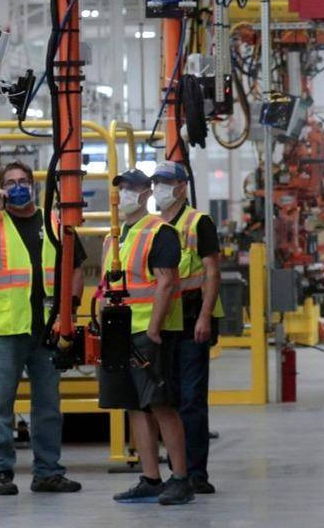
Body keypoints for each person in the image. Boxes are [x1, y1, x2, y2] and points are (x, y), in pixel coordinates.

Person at [0, 161, 89, 496]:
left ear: (33, 185)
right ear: (1, 189)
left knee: (48, 406)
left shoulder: (54, 221)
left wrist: (69, 310)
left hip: (48, 329)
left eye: (22, 181)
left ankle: (48, 473)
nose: (17, 186)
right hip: (6, 329)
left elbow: (77, 267)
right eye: (10, 182)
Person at [98, 169, 194, 505]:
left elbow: (166, 282)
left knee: (160, 404)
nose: (125, 193)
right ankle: (151, 478)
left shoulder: (160, 232)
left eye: (132, 187)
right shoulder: (113, 237)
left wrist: (154, 328)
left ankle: (181, 478)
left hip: (148, 334)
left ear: (146, 193)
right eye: (122, 187)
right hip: (118, 334)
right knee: (134, 407)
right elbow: (106, 286)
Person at [149, 163, 221, 495]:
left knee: (191, 399)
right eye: (155, 182)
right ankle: (176, 470)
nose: (158, 188)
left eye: (165, 182)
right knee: (169, 397)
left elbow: (212, 273)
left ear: (181, 187)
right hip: (165, 321)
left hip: (192, 320)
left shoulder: (198, 222)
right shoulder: (154, 226)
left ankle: (195, 474)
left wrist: (205, 316)